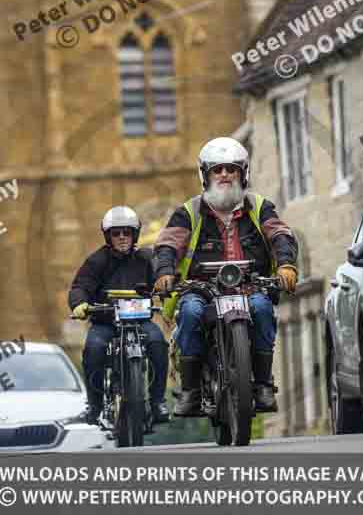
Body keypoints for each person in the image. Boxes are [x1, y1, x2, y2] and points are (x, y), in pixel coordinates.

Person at [153, 137, 298, 416]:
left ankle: (263, 385)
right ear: (205, 175)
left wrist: (286, 265)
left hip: (250, 286)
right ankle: (191, 391)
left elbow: (280, 234)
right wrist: (165, 272)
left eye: (231, 169)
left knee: (262, 308)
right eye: (217, 169)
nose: (224, 175)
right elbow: (167, 245)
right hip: (201, 289)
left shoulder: (260, 206)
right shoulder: (189, 212)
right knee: (190, 313)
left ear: (243, 174)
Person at [68, 206, 170, 425]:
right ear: (108, 236)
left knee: (158, 343)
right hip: (105, 323)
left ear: (135, 234)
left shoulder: (147, 257)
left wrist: (166, 285)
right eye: (116, 233)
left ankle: (157, 402)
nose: (122, 237)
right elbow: (80, 286)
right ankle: (94, 406)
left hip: (140, 321)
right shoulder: (96, 261)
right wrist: (79, 303)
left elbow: (162, 275)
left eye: (127, 232)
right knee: (94, 349)